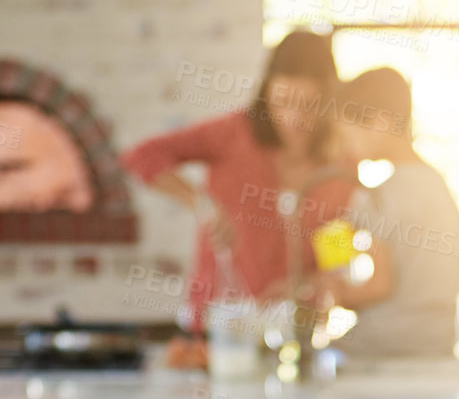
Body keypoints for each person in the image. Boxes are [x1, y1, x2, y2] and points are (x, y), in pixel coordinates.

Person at [120, 29, 358, 356]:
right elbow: (140, 157)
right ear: (266, 93)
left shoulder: (340, 166)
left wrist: (305, 286)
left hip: (294, 340)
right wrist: (201, 204)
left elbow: (336, 261)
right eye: (283, 102)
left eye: (308, 106)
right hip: (218, 333)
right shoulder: (234, 134)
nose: (293, 118)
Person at [329, 67, 459, 360]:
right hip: (438, 341)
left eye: (348, 134)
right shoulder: (438, 185)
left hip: (388, 342)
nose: (346, 146)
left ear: (380, 123)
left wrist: (334, 293)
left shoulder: (378, 196)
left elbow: (379, 285)